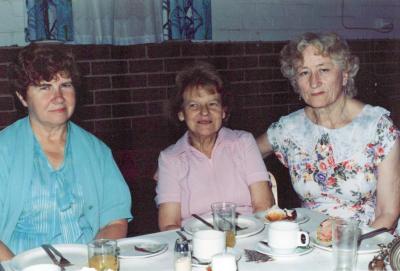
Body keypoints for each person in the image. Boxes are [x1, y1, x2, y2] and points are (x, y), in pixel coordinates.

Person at [0, 44, 132, 260]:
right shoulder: (3, 151)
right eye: (45, 87)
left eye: (66, 85)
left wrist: (94, 263)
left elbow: (114, 220)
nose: (59, 97)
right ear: (23, 97)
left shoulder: (96, 151)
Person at [257, 32, 400, 230]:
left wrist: (350, 247)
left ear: (345, 74)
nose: (314, 82)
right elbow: (245, 153)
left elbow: (388, 213)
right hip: (308, 242)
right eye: (304, 72)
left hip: (365, 242)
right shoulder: (288, 129)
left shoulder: (378, 128)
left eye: (323, 70)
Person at [156, 61, 274, 231]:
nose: (204, 112)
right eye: (194, 105)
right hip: (196, 243)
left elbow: (263, 206)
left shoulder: (243, 142)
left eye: (212, 104)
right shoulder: (170, 158)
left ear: (223, 111)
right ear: (181, 114)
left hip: (247, 234)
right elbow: (169, 224)